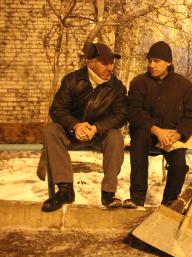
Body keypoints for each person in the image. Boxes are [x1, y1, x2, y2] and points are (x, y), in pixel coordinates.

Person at [40, 43, 127, 212]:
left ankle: (108, 194)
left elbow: (121, 116)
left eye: (111, 62)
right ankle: (65, 190)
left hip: (100, 135)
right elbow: (57, 109)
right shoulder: (72, 80)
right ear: (90, 62)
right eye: (104, 62)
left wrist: (97, 128)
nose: (110, 67)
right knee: (51, 130)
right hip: (71, 133)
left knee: (116, 136)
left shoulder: (117, 87)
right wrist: (75, 125)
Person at [125, 41, 192, 208]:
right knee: (137, 148)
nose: (151, 65)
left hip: (172, 134)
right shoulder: (139, 82)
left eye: (157, 61)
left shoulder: (183, 85)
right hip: (146, 131)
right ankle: (137, 197)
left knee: (179, 164)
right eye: (149, 60)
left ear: (169, 62)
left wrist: (179, 134)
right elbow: (134, 111)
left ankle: (169, 200)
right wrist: (156, 130)